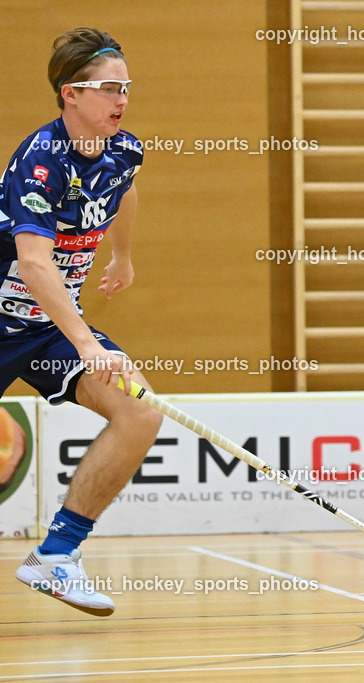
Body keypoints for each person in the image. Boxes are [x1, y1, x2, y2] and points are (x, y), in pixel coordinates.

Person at [1, 27, 162, 616]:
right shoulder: (40, 161)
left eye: (127, 87)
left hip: (44, 329)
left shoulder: (123, 149)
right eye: (109, 89)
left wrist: (122, 256)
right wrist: (87, 343)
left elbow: (124, 190)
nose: (123, 99)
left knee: (141, 411)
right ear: (71, 93)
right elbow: (34, 264)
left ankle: (56, 556)